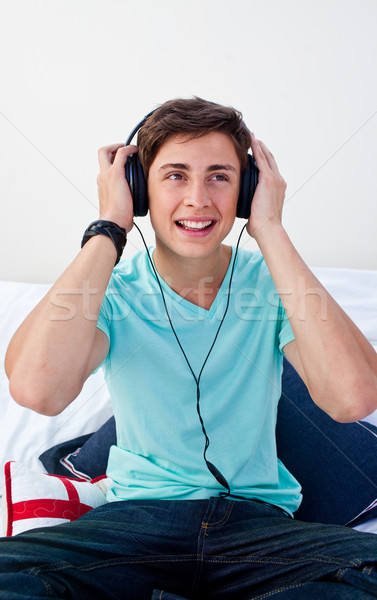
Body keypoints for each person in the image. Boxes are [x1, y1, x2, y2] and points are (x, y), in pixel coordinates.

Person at [2, 96, 377, 599]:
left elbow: (353, 398)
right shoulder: (104, 290)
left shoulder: (276, 286)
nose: (199, 198)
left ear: (247, 190)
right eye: (175, 175)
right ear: (140, 189)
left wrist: (269, 229)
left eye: (220, 176)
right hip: (134, 524)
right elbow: (36, 390)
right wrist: (109, 225)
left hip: (257, 528)